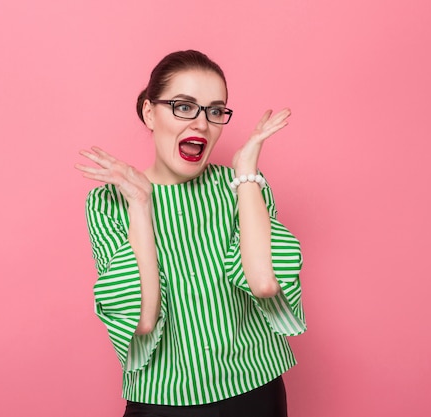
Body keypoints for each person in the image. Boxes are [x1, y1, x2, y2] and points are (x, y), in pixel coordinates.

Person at [76, 50, 306, 417]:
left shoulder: (240, 186)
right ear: (149, 113)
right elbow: (143, 319)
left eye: (215, 111)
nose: (201, 124)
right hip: (164, 400)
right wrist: (140, 204)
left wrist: (246, 170)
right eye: (183, 106)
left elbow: (264, 283)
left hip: (255, 388)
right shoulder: (108, 201)